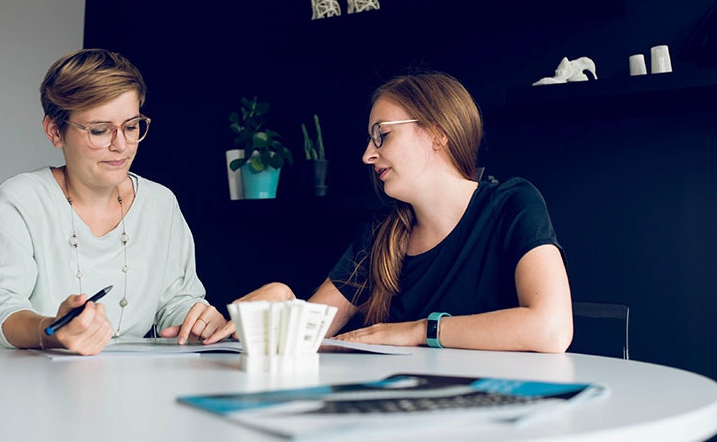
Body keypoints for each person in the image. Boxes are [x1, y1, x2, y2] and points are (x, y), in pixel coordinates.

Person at [208, 71, 573, 353]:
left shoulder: (513, 204)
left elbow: (551, 328)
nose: (368, 154)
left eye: (382, 134)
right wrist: (284, 301)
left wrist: (417, 331)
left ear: (437, 133)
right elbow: (310, 334)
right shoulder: (381, 234)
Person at [0, 49, 225, 355]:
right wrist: (51, 330)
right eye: (100, 131)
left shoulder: (160, 203)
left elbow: (176, 301)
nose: (121, 145)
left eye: (131, 127)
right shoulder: (20, 200)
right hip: (33, 384)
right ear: (54, 131)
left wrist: (197, 319)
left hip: (136, 383)